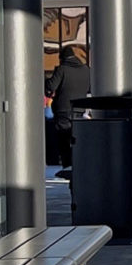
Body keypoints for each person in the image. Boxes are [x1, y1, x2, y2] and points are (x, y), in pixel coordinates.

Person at [45, 43, 91, 177]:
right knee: (76, 137)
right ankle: (79, 163)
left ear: (62, 58)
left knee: (64, 140)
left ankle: (68, 167)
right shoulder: (86, 70)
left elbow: (51, 86)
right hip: (80, 110)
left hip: (63, 110)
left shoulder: (62, 69)